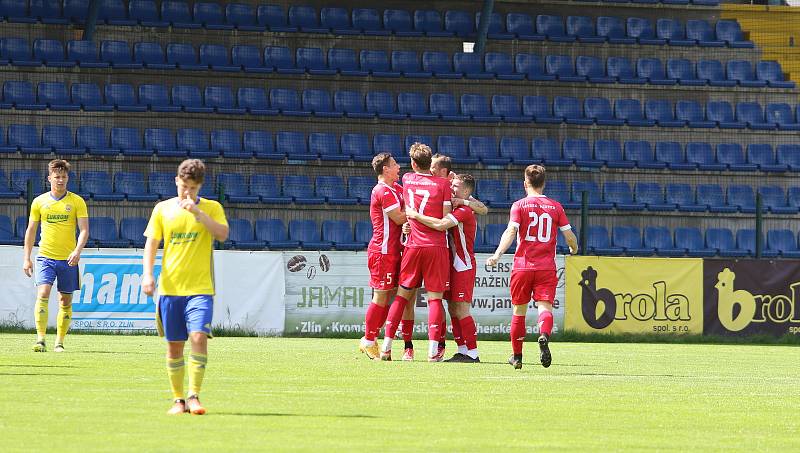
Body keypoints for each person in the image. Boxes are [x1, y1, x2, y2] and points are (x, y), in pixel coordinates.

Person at [142, 159, 229, 415]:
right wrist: (147, 274)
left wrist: (198, 214)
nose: (186, 192)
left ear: (199, 186)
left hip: (200, 288)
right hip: (170, 290)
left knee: (199, 337)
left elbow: (223, 234)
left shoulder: (212, 208)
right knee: (174, 346)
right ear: (176, 181)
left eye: (192, 188)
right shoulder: (162, 209)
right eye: (183, 186)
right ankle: (178, 400)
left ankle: (194, 396)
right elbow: (152, 243)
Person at [486, 165, 577, 370]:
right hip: (546, 267)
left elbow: (510, 232)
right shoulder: (556, 207)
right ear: (543, 183)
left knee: (519, 312)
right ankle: (543, 335)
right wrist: (574, 247)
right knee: (545, 307)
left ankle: (517, 357)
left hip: (523, 266)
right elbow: (569, 236)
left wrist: (498, 254)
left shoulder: (519, 205)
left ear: (525, 183)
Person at [381, 143, 451, 362]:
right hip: (436, 246)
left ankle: (386, 347)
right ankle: (432, 352)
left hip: (412, 245)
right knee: (435, 300)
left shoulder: (408, 180)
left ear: (412, 163)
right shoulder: (443, 184)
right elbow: (446, 216)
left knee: (402, 297)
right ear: (430, 163)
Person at [406, 174, 480, 363]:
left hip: (463, 264)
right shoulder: (459, 204)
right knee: (453, 308)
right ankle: (462, 349)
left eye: (455, 186)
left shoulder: (464, 210)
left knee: (462, 309)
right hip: (451, 263)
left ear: (465, 191)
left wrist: (415, 216)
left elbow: (440, 225)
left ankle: (473, 353)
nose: (451, 189)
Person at [22, 159, 89, 353]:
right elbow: (31, 231)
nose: (60, 180)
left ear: (68, 179)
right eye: (57, 177)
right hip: (45, 257)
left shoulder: (77, 201)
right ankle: (40, 339)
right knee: (42, 293)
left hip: (68, 259)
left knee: (65, 301)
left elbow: (84, 230)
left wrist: (77, 251)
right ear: (49, 178)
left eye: (64, 177)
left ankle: (59, 342)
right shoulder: (39, 202)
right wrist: (27, 257)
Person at [359, 153, 407, 360]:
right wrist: (423, 214)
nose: (398, 167)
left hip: (395, 250)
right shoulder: (382, 190)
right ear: (385, 169)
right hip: (382, 251)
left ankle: (373, 337)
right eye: (395, 164)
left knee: (391, 294)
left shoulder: (396, 189)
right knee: (380, 294)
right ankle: (368, 341)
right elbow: (398, 217)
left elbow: (414, 200)